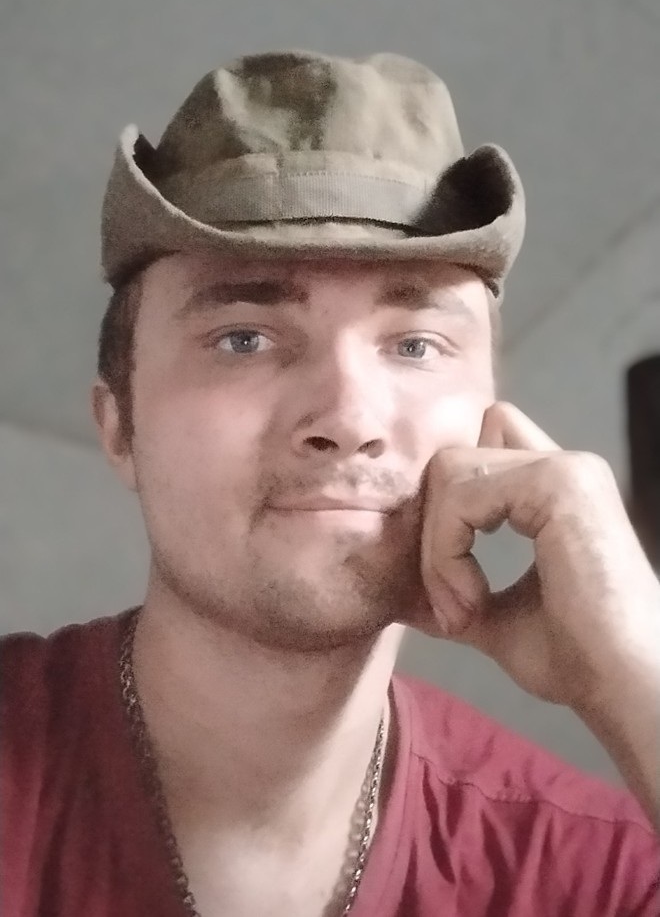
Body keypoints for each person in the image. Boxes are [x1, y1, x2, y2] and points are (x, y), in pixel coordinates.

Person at [2, 50, 659, 917]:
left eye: (414, 345)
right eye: (244, 338)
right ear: (120, 425)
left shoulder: (593, 875)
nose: (349, 417)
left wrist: (636, 673)